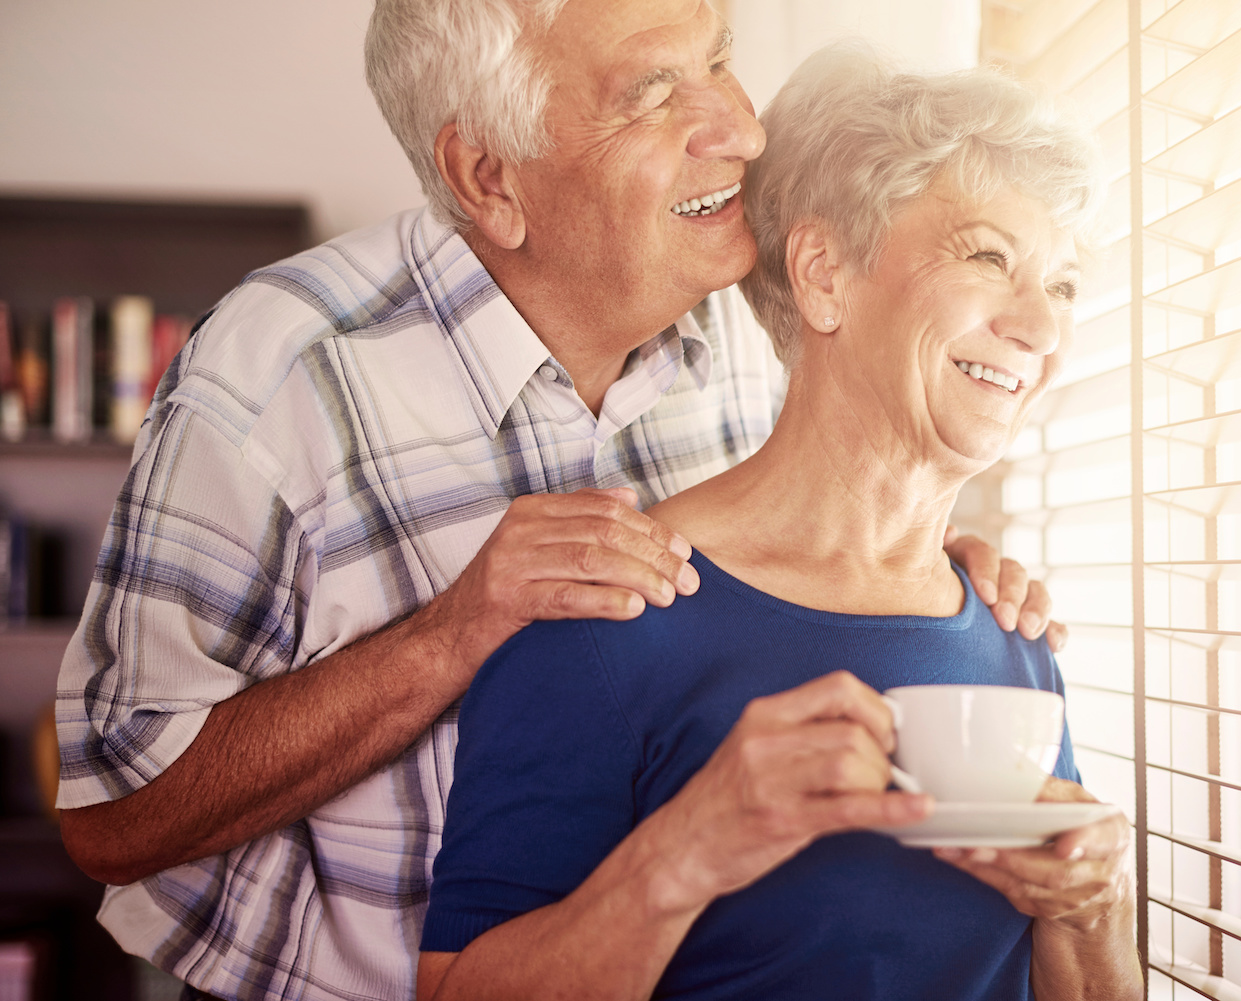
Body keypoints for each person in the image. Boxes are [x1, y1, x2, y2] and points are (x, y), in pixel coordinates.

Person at [51, 2, 1060, 999]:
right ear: (487, 175)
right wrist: (451, 633)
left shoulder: (742, 345)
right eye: (655, 91)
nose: (741, 129)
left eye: (717, 61)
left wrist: (913, 568)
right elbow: (114, 816)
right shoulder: (279, 376)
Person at [417, 45, 1140, 1001]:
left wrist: (1093, 911)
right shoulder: (610, 616)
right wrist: (687, 850)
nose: (1041, 331)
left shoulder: (1014, 640)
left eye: (1063, 286)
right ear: (825, 274)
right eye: (988, 257)